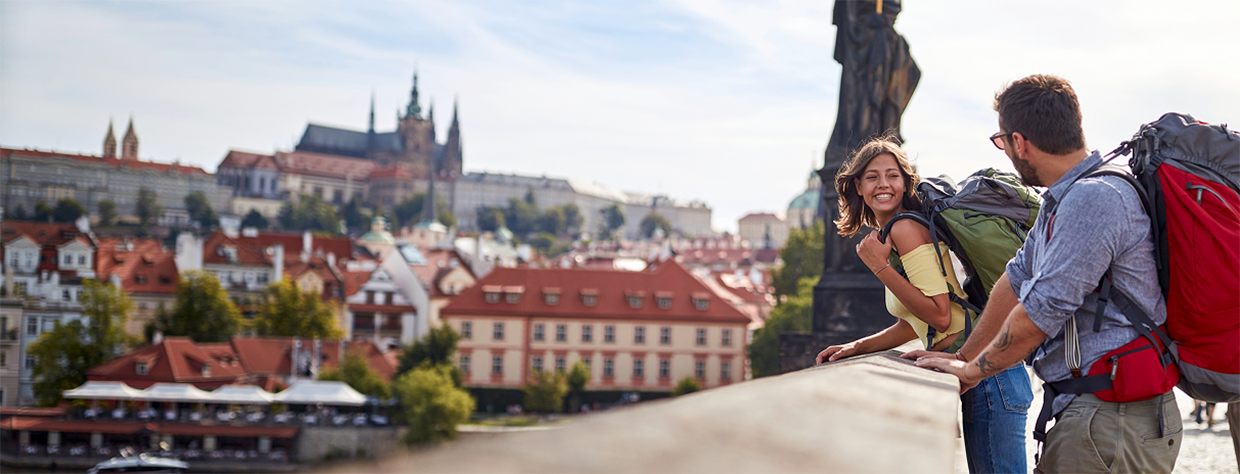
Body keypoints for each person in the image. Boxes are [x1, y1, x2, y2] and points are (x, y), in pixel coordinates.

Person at [910, 74, 1181, 474]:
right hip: (1094, 414)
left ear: (1019, 142)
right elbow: (1014, 281)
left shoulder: (1093, 199)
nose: (1005, 151)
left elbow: (1041, 311)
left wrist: (971, 371)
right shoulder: (1065, 198)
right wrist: (964, 359)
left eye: (1002, 142)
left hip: (1113, 418)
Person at [814, 135, 1032, 474]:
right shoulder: (900, 230)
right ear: (858, 185)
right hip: (988, 372)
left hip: (989, 376)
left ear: (905, 183)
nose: (883, 184)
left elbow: (941, 315)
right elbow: (916, 321)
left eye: (892, 175)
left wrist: (880, 268)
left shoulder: (904, 229)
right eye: (872, 177)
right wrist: (857, 345)